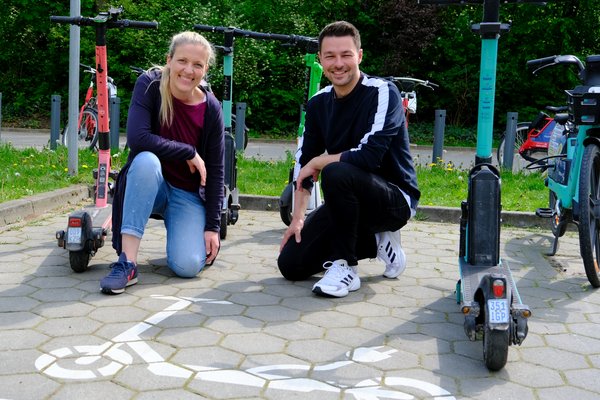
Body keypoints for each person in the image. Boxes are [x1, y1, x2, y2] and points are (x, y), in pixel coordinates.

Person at [278, 21, 420, 298]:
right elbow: (303, 162)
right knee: (291, 265)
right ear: (320, 59)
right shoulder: (319, 103)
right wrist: (297, 219)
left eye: (346, 55)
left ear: (360, 56)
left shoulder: (382, 91)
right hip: (347, 201)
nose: (338, 63)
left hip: (393, 200)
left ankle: (347, 267)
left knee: (336, 172)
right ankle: (374, 241)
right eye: (330, 56)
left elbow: (368, 157)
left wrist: (320, 163)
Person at [100, 31, 225, 295]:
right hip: (150, 183)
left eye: (198, 65)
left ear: (205, 70)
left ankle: (183, 239)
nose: (188, 70)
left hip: (186, 194)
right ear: (169, 60)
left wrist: (212, 227)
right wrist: (188, 152)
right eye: (182, 61)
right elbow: (138, 138)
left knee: (188, 266)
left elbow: (215, 170)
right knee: (145, 161)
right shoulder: (149, 85)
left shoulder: (211, 108)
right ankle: (128, 263)